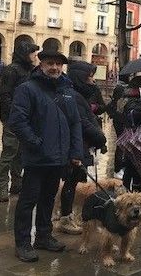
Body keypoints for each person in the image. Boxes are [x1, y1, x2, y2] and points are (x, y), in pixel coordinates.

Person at [8, 50, 83, 262]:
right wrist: (35, 143)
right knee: (27, 201)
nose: (55, 68)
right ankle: (22, 242)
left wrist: (76, 152)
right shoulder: (27, 89)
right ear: (41, 64)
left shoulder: (67, 90)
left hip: (59, 158)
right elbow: (17, 121)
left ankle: (43, 236)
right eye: (50, 63)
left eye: (59, 64)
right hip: (37, 158)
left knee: (48, 199)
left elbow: (75, 122)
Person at [56, 61, 107, 235]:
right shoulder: (75, 96)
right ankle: (65, 217)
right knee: (71, 182)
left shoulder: (80, 94)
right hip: (77, 146)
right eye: (89, 76)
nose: (93, 80)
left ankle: (67, 214)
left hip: (82, 144)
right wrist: (100, 137)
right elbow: (82, 123)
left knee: (74, 181)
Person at [0, 41, 40, 202]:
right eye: (33, 53)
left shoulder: (32, 71)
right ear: (24, 54)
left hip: (27, 121)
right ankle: (2, 186)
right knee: (9, 151)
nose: (35, 57)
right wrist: (14, 115)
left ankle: (16, 182)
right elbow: (3, 95)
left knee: (20, 153)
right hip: (12, 120)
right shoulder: (11, 70)